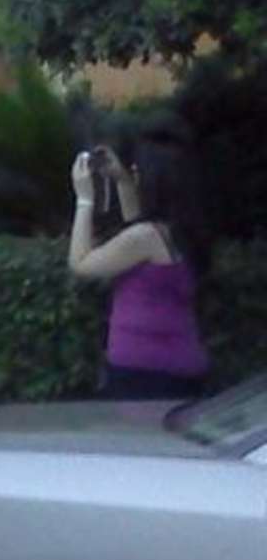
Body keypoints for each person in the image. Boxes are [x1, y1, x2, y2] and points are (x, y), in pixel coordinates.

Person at [68, 129, 212, 400]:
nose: (133, 174)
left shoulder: (146, 237)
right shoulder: (183, 233)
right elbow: (135, 221)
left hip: (146, 373)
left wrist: (84, 200)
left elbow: (80, 263)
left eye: (137, 172)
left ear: (152, 183)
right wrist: (122, 181)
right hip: (177, 365)